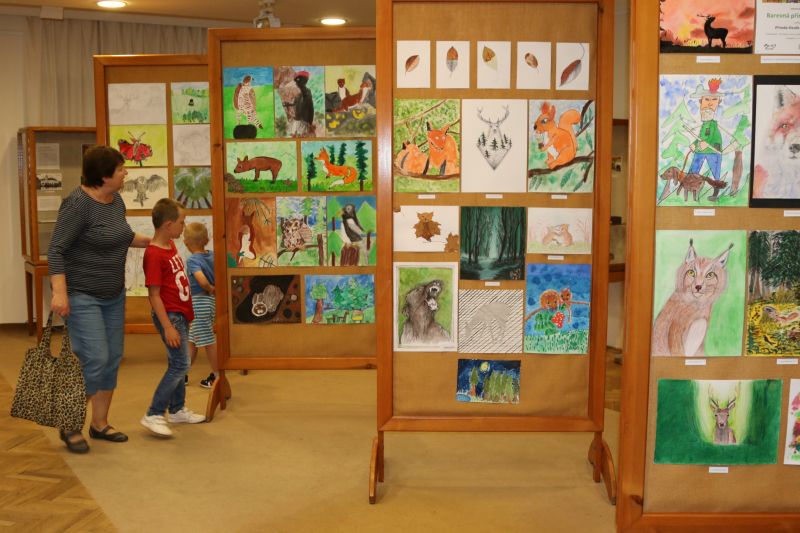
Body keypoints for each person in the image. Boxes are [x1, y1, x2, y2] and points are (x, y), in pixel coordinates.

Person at [48, 145, 151, 454]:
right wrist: (59, 292)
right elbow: (56, 250)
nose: (126, 173)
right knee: (96, 358)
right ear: (104, 176)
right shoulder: (77, 205)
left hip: (113, 294)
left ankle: (100, 424)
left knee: (112, 358)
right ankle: (69, 421)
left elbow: (122, 236)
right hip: (82, 295)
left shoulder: (115, 201)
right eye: (121, 169)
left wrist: (155, 242)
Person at [140, 199, 205, 437]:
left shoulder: (170, 244)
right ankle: (154, 413)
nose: (183, 226)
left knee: (177, 362)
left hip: (181, 314)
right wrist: (168, 326)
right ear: (168, 225)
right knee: (181, 364)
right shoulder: (154, 254)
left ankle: (177, 409)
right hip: (170, 316)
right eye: (181, 222)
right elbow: (154, 295)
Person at [183, 222, 218, 389]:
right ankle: (182, 374)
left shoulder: (192, 260)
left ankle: (217, 376)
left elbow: (202, 281)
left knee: (208, 341)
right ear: (207, 240)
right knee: (192, 339)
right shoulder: (212, 256)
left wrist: (210, 288)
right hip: (210, 302)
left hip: (199, 303)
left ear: (186, 242)